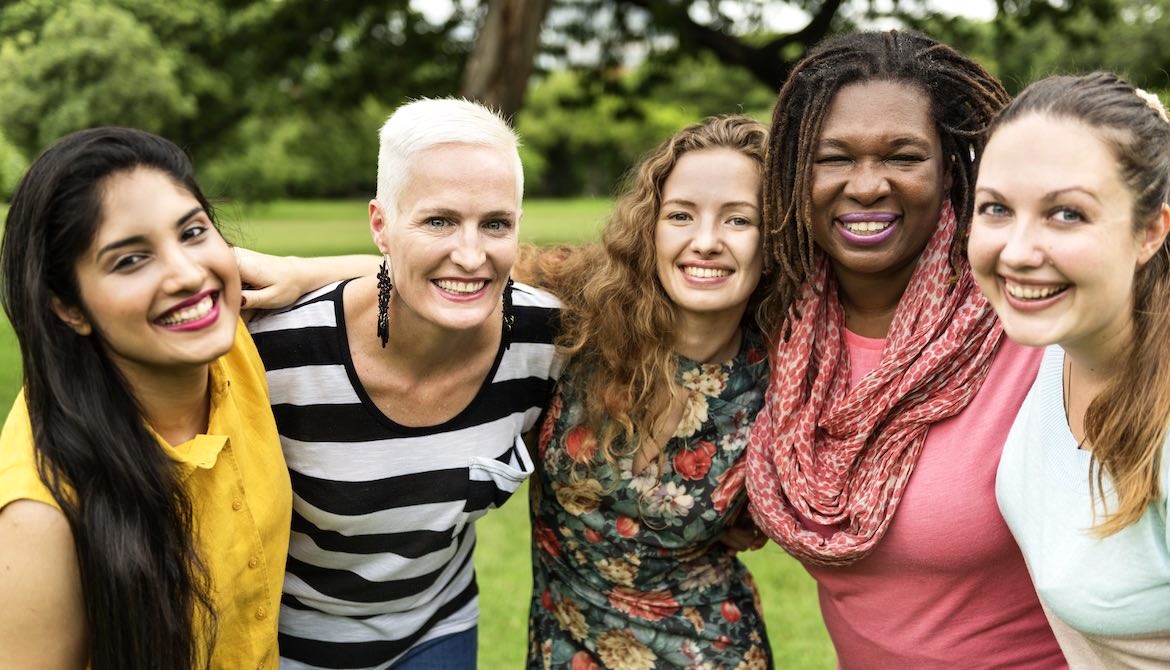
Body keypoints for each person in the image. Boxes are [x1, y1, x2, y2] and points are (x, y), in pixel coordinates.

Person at [743, 30, 1067, 667]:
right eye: (833, 158)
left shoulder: (1031, 327)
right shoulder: (776, 328)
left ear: (951, 167)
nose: (867, 186)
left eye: (903, 156)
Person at [245, 98, 562, 669]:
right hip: (293, 644)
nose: (470, 255)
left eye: (495, 223)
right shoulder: (279, 353)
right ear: (380, 225)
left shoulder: (545, 342)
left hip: (440, 631)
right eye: (438, 220)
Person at [0, 127, 291, 668]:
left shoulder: (226, 338)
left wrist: (304, 272)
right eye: (130, 260)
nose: (187, 274)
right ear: (69, 308)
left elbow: (441, 275)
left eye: (193, 232)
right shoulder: (37, 517)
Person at [524, 115, 775, 668]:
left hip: (710, 648)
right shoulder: (579, 313)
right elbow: (446, 279)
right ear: (650, 227)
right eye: (681, 215)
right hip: (564, 646)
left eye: (738, 220)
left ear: (774, 237)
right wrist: (304, 276)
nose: (705, 243)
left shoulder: (785, 376)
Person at [969, 72, 1170, 667]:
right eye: (996, 208)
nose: (1019, 251)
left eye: (1066, 214)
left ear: (1150, 230)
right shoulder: (1058, 344)